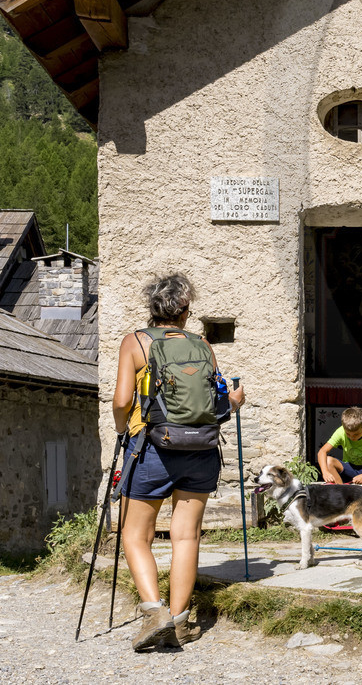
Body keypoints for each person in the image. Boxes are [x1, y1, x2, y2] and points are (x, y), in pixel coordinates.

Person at [111, 272, 245, 652]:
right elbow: (219, 404)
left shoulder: (135, 342)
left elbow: (122, 402)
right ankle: (181, 622)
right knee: (186, 535)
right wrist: (237, 400)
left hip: (152, 448)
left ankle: (155, 613)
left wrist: (123, 430)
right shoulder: (203, 345)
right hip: (201, 451)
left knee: (136, 535)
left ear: (151, 307)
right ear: (185, 310)